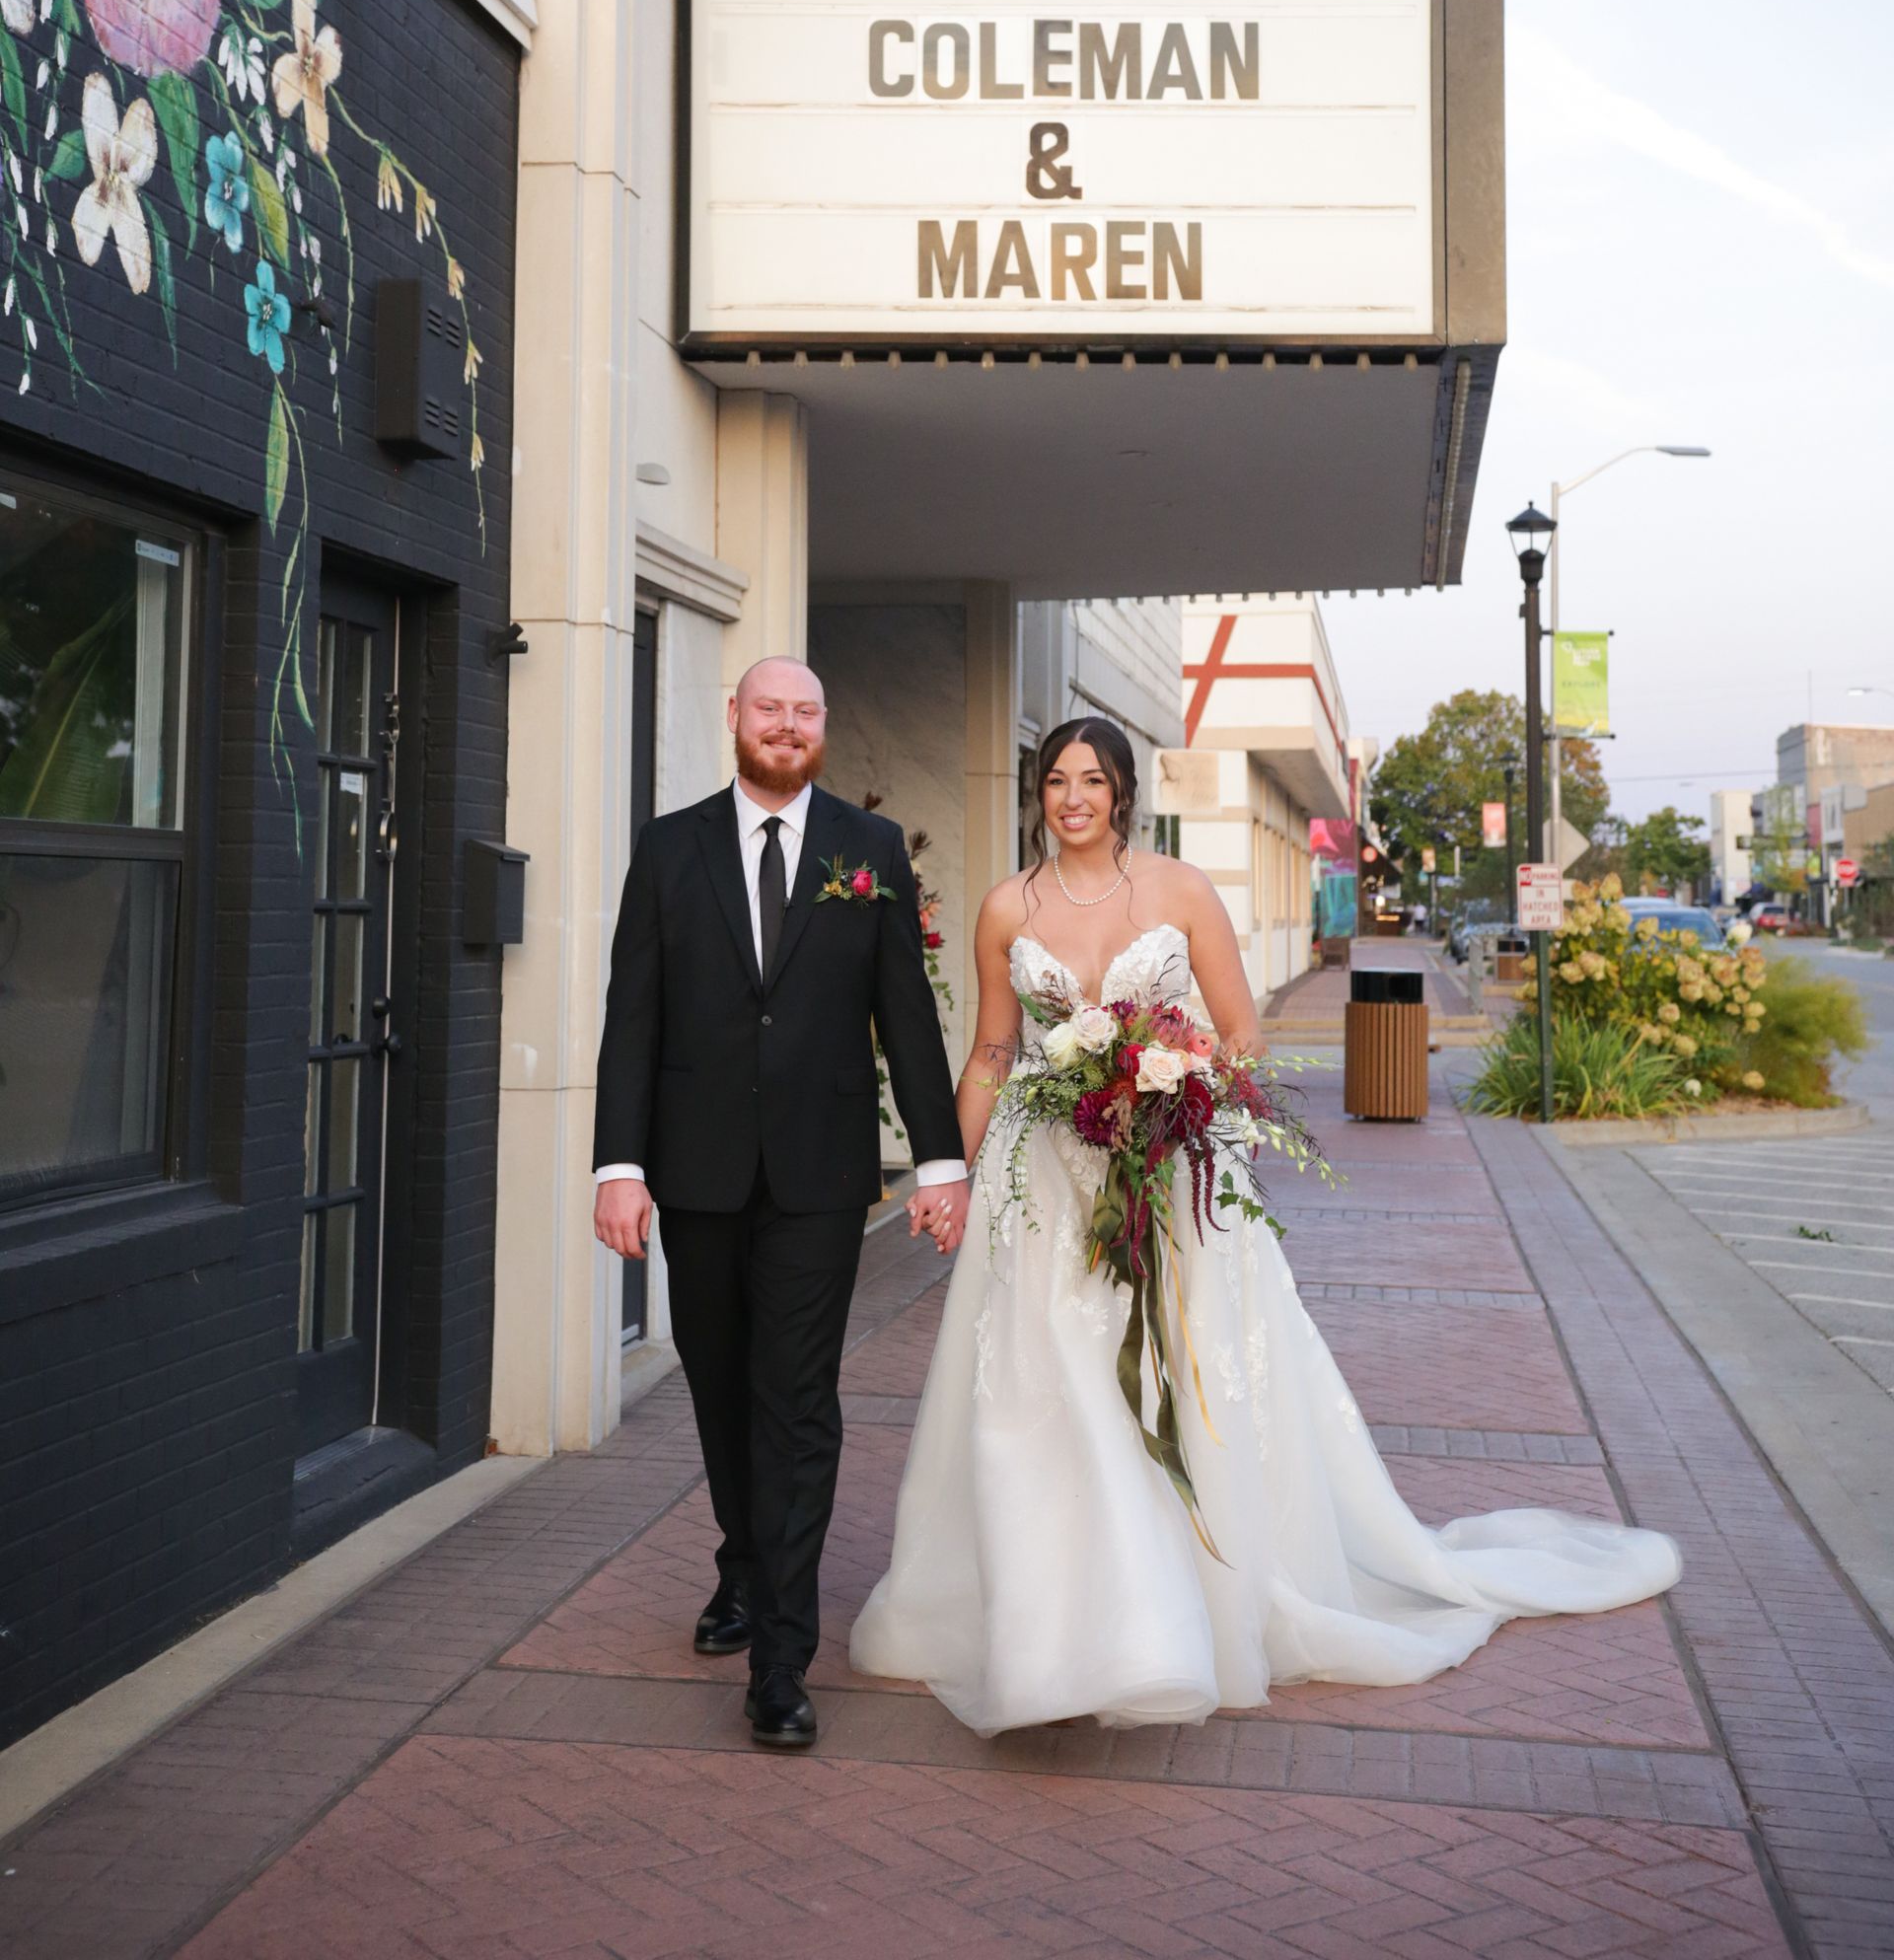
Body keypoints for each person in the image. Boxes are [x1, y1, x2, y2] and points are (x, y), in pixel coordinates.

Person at [851, 714, 1679, 1735]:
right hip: (1047, 1191)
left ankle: (1176, 1612)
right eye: (1057, 780)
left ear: (1122, 795)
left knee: (1165, 1384)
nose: (1073, 799)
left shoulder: (1180, 892)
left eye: (1093, 781)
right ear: (1040, 792)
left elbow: (1240, 1036)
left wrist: (1174, 1100)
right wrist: (953, 1175)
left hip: (1170, 1176)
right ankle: (1057, 1622)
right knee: (1048, 1392)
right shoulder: (1005, 907)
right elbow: (987, 1052)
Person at [594, 656, 967, 1751]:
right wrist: (620, 1164)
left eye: (807, 712)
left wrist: (939, 1163)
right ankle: (744, 1566)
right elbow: (634, 1016)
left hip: (820, 1178)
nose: (788, 726)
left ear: (822, 729)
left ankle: (780, 1662)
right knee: (720, 1387)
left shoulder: (871, 849)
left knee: (796, 1400)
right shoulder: (669, 847)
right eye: (771, 709)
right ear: (737, 721)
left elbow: (907, 1015)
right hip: (695, 1170)